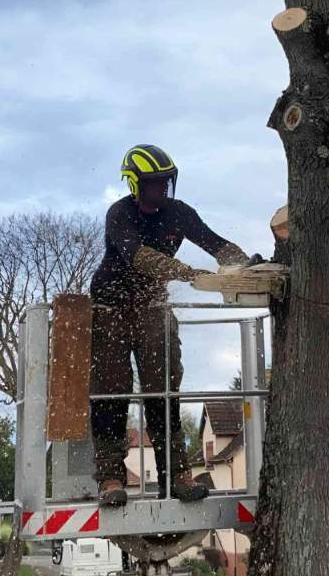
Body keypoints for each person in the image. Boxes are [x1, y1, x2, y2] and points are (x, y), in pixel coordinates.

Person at [89, 144, 250, 507]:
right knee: (112, 393)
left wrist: (244, 264)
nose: (160, 190)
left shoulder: (178, 213)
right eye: (153, 184)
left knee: (163, 391)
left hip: (151, 306)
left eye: (165, 183)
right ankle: (111, 476)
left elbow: (214, 243)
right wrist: (187, 274)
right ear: (135, 184)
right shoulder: (120, 215)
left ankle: (177, 474)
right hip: (110, 307)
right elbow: (141, 258)